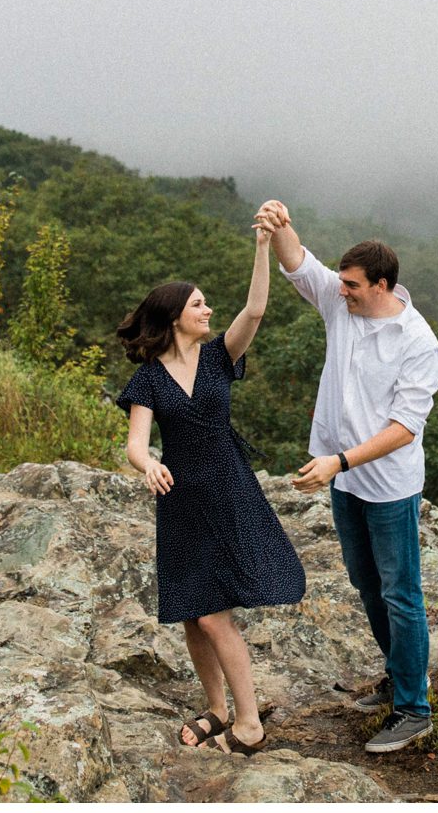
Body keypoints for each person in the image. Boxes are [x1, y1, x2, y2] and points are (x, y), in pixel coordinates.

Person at [255, 198, 438, 755]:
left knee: (402, 594)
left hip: (388, 486)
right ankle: (396, 677)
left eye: (354, 285)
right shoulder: (342, 307)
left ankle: (414, 709)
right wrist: (281, 224)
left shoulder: (417, 342)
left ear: (382, 285)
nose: (342, 290)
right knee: (367, 586)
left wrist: (338, 461)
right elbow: (299, 264)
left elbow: (404, 428)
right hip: (346, 484)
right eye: (340, 283)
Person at [114, 213, 306, 756]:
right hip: (180, 499)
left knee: (213, 613)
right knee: (193, 611)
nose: (208, 310)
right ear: (176, 316)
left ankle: (249, 724)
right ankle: (217, 710)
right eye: (198, 304)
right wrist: (146, 464)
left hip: (227, 488)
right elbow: (135, 441)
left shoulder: (222, 356)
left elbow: (258, 308)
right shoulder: (149, 377)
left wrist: (263, 245)